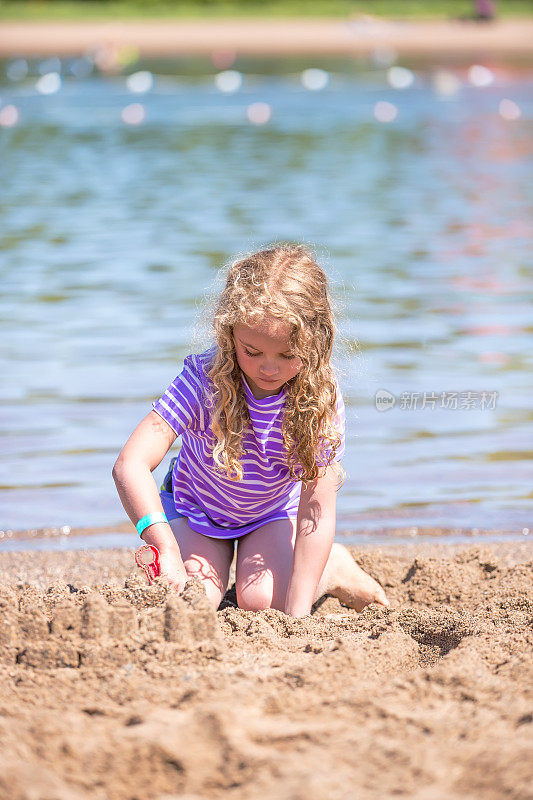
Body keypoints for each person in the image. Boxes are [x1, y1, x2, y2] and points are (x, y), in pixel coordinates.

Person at [112, 244, 390, 618]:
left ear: (316, 342)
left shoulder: (320, 398)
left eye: (287, 355)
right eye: (252, 352)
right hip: (195, 509)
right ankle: (199, 561)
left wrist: (298, 616)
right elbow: (130, 464)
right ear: (230, 335)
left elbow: (316, 511)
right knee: (190, 602)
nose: (269, 369)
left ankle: (330, 567)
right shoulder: (202, 380)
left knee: (262, 602)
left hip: (271, 514)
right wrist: (166, 547)